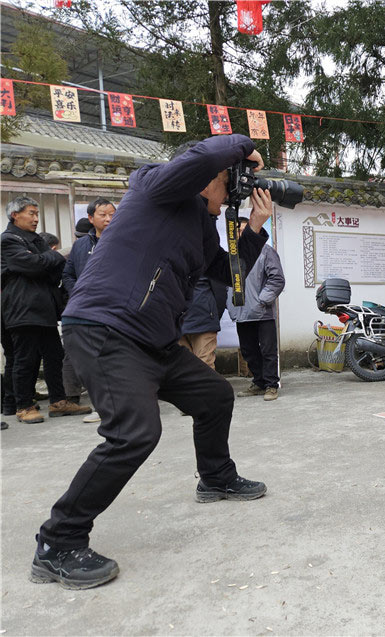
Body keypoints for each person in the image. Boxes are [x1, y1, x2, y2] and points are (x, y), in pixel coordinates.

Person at [31, 134, 274, 590]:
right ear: (209, 177)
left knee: (215, 396)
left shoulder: (200, 224)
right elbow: (200, 155)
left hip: (153, 340)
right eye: (232, 181)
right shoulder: (155, 186)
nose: (234, 191)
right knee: (134, 432)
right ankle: (57, 543)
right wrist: (244, 147)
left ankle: (216, 479)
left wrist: (255, 229)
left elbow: (225, 272)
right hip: (105, 328)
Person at [1, 197, 91, 424]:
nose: (35, 219)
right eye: (31, 213)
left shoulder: (35, 240)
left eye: (37, 214)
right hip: (22, 308)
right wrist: (47, 259)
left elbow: (53, 269)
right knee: (25, 358)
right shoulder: (8, 240)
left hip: (45, 308)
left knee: (54, 356)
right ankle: (23, 405)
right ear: (15, 215)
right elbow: (33, 266)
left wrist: (44, 260)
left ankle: (58, 401)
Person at [61, 198, 116, 420]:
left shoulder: (124, 240)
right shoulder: (81, 246)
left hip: (115, 309)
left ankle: (120, 405)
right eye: (103, 214)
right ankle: (101, 407)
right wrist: (79, 294)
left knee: (115, 356)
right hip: (86, 311)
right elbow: (68, 274)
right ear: (91, 218)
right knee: (91, 360)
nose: (109, 218)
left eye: (112, 213)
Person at [228, 216, 285, 401]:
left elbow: (277, 279)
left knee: (268, 350)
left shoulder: (266, 251)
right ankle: (259, 382)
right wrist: (230, 305)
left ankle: (271, 385)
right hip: (241, 312)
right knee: (248, 351)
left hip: (262, 312)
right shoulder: (231, 255)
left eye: (244, 229)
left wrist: (262, 300)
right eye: (237, 230)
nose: (240, 233)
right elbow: (225, 283)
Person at [179, 274, 228, 369]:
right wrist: (214, 315)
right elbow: (220, 293)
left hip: (180, 320)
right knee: (205, 365)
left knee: (185, 366)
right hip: (204, 319)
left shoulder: (173, 264)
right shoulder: (207, 263)